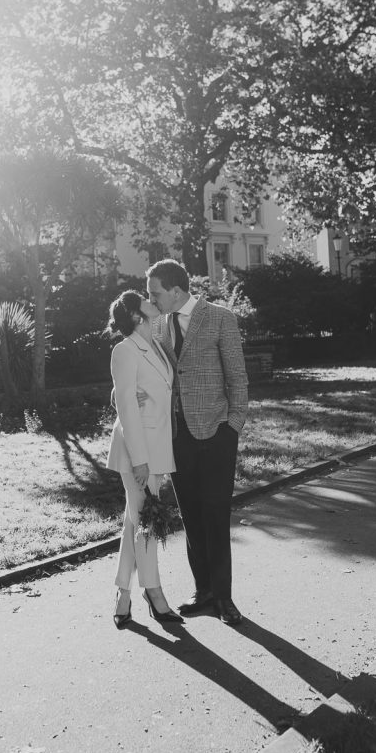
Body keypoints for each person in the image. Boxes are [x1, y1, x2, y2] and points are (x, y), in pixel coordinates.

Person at [146, 259, 249, 625]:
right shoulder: (157, 324)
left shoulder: (220, 317)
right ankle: (203, 590)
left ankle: (224, 598)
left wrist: (233, 425)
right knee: (191, 515)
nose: (151, 299)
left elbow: (237, 376)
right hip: (177, 435)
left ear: (176, 290)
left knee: (216, 515)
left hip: (217, 432)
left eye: (155, 293)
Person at [105, 290, 184, 629]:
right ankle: (154, 592)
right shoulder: (124, 350)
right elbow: (125, 402)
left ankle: (123, 593)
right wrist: (140, 460)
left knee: (135, 520)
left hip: (158, 445)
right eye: (146, 301)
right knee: (148, 522)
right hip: (138, 452)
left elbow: (145, 389)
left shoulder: (155, 342)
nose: (153, 302)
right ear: (137, 316)